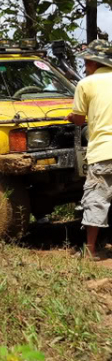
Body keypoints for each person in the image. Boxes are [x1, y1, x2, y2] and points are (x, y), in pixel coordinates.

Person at [66, 39, 112, 258]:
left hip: (103, 151)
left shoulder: (86, 83)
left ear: (94, 62)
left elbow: (78, 120)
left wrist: (71, 116)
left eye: (86, 61)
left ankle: (91, 251)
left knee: (96, 199)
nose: (85, 65)